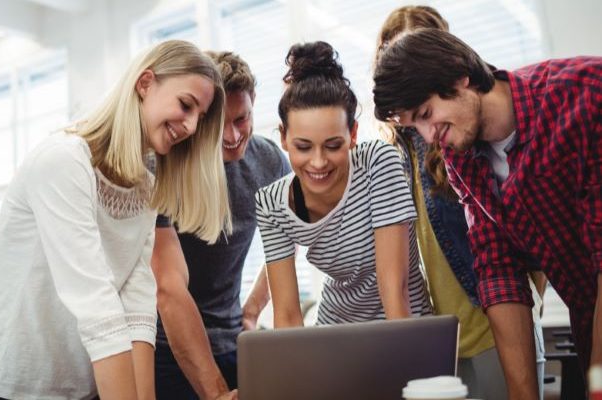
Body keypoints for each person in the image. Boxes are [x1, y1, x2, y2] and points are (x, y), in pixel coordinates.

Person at [0, 40, 232, 400]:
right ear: (145, 83)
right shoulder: (63, 162)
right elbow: (97, 305)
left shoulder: (146, 184)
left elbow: (137, 303)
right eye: (186, 105)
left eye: (200, 117)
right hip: (24, 383)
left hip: (87, 382)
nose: (191, 126)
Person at [373, 29, 602, 399]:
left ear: (459, 75)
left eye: (426, 114)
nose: (428, 136)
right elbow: (498, 272)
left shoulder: (585, 95)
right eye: (413, 125)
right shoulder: (460, 159)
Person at [255, 41, 432, 330]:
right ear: (284, 138)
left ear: (352, 134)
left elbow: (394, 288)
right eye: (303, 147)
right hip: (335, 331)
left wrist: (405, 360)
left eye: (333, 145)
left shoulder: (378, 162)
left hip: (404, 326)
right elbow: (287, 315)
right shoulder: (272, 204)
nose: (318, 162)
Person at [152, 51, 291, 400]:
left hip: (232, 340)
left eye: (241, 119)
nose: (231, 135)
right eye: (219, 125)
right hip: (165, 348)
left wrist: (253, 309)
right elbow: (167, 289)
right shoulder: (164, 166)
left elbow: (291, 235)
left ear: (254, 103)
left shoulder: (270, 160)